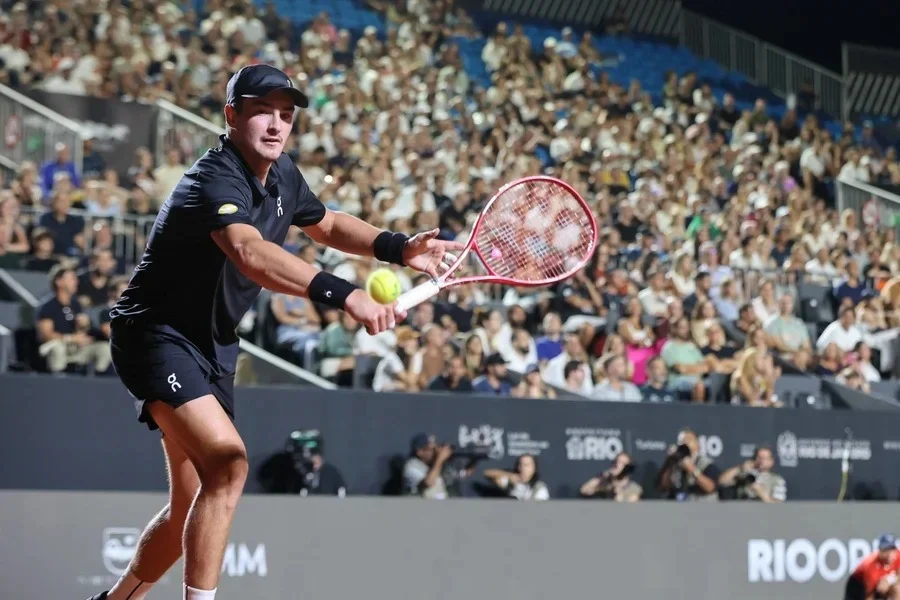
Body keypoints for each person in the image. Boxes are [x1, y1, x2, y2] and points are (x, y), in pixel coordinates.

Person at [91, 64, 462, 600]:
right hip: (157, 333)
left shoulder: (283, 173)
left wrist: (397, 247)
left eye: (285, 115)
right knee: (229, 464)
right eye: (262, 111)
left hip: (213, 345)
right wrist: (346, 294)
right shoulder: (214, 178)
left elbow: (326, 223)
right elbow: (250, 252)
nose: (275, 125)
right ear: (231, 115)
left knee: (190, 505)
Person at [845, 534, 900, 600]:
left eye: (892, 549)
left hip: (880, 585)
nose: (890, 554)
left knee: (897, 589)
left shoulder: (898, 555)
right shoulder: (871, 567)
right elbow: (869, 596)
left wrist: (889, 580)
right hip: (857, 587)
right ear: (880, 551)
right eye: (886, 550)